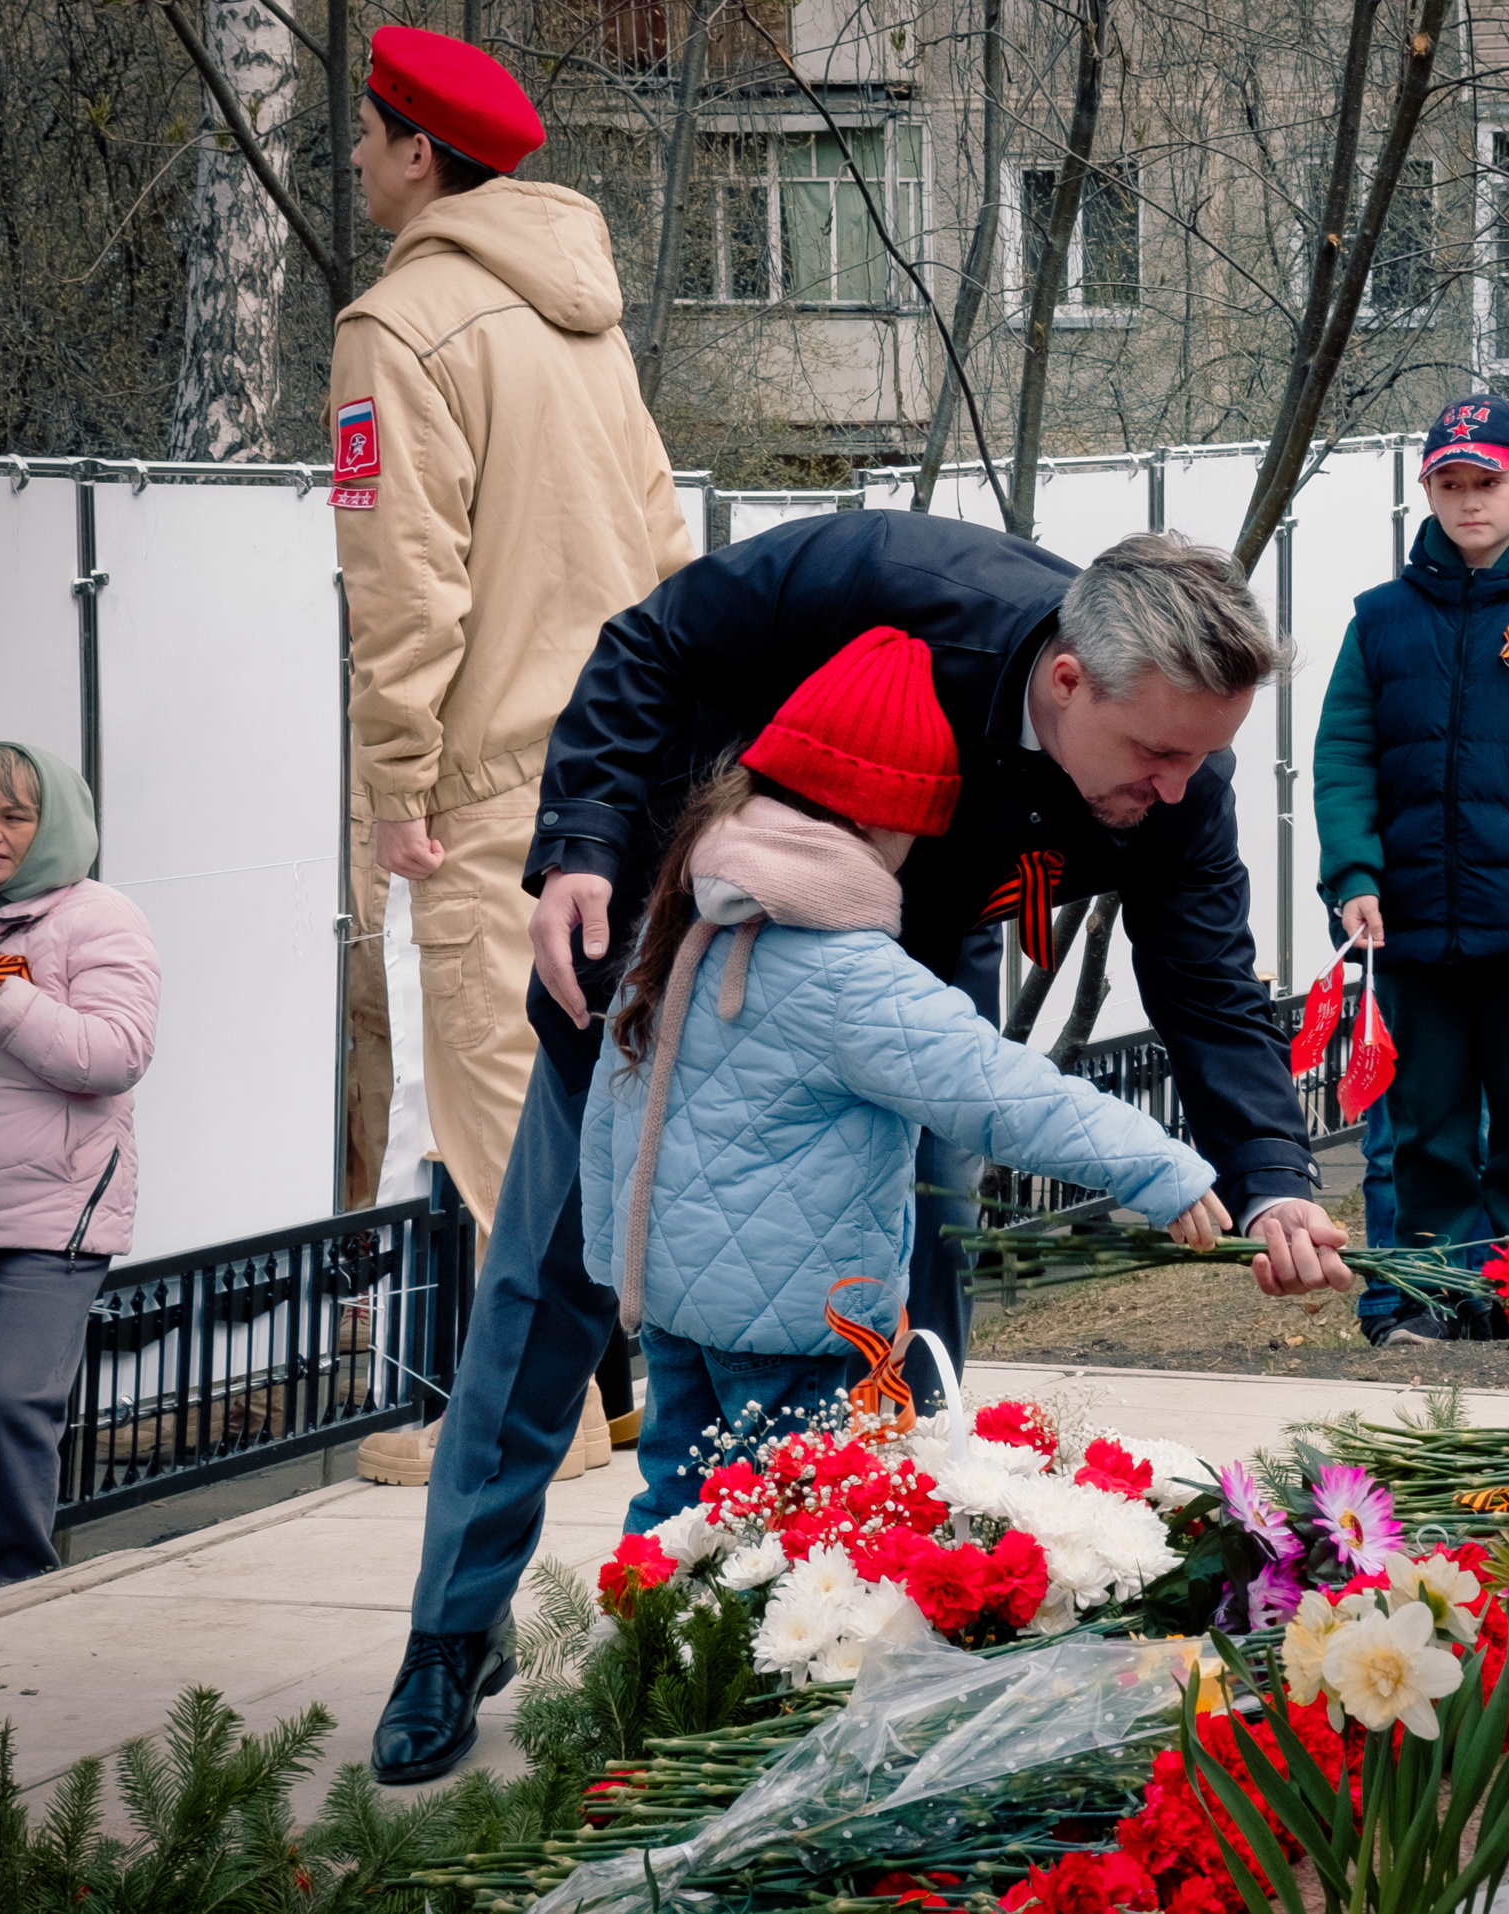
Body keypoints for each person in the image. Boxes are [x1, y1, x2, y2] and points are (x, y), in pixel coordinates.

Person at [373, 516, 1351, 1785]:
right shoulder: (889, 584)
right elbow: (648, 649)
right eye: (1158, 752)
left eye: (1200, 759)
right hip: (679, 947)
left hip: (909, 970)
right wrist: (580, 844)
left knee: (906, 1305)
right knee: (557, 1277)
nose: (1177, 788)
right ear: (1066, 680)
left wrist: (1269, 1177)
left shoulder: (1176, 774)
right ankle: (452, 1630)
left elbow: (1208, 986)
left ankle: (901, 1608)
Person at [589, 630, 1224, 1526]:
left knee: (677, 1515)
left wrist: (619, 1264)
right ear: (880, 819)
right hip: (800, 1328)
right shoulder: (846, 976)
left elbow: (613, 1114)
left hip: (675, 1311)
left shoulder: (693, 920)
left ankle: (641, 1663)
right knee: (791, 1539)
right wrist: (1160, 1168)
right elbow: (1002, 1091)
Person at [334, 26, 695, 1486]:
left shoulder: (398, 324)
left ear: (421, 154)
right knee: (625, 1083)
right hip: (637, 761)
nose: (357, 159)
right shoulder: (584, 313)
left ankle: (513, 1424)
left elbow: (405, 579)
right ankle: (617, 1398)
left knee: (505, 1112)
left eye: (366, 137)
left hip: (499, 784)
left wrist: (395, 787)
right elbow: (668, 534)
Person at [1313, 392, 1509, 1345]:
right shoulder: (1380, 621)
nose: (1467, 500)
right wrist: (1356, 876)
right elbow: (1345, 757)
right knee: (1429, 1134)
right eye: (1449, 483)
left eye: (1486, 481)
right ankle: (1436, 1301)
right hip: (1413, 929)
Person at [0, 745, 159, 1592]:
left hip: (55, 1214)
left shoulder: (99, 919)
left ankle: (11, 1594)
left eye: (14, 815)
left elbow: (114, 1055)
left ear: (54, 825)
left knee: (10, 1404)